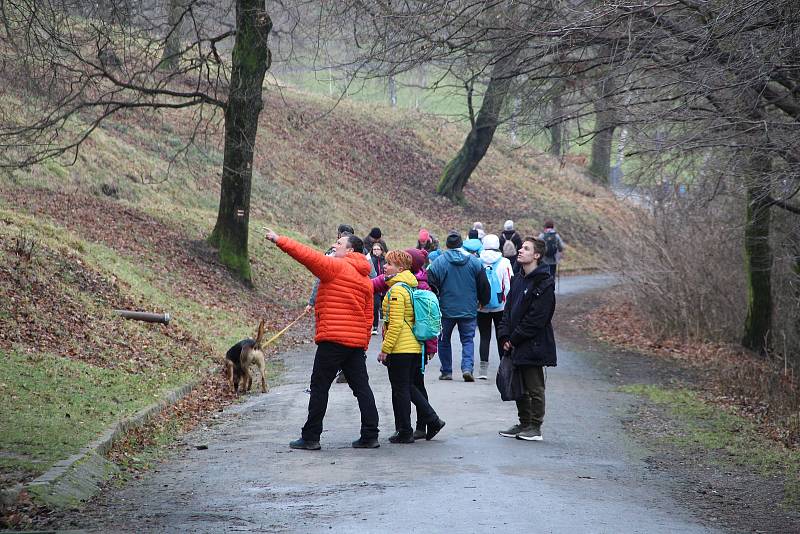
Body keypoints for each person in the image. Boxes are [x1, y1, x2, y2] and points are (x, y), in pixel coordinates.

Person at [264, 228, 380, 450]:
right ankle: (370, 435)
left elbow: (307, 255)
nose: (334, 246)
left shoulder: (335, 267)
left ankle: (311, 437)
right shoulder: (365, 279)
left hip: (333, 340)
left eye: (339, 243)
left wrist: (279, 239)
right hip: (354, 344)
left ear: (351, 250)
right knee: (362, 388)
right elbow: (368, 316)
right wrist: (363, 344)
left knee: (319, 387)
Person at [378, 250, 446, 443]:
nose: (385, 266)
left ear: (401, 268)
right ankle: (426, 423)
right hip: (413, 346)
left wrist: (385, 349)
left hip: (402, 348)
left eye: (389, 263)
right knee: (408, 387)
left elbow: (396, 323)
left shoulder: (398, 290)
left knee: (401, 389)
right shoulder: (408, 286)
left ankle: (410, 430)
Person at [498, 236, 556, 442]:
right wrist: (504, 335)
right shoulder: (518, 279)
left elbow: (537, 318)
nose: (520, 251)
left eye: (526, 249)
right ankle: (523, 423)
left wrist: (513, 339)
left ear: (537, 255)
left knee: (534, 387)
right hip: (514, 343)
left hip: (533, 344)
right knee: (517, 385)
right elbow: (507, 310)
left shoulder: (545, 283)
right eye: (521, 248)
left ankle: (535, 427)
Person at [427, 231, 490, 382]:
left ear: (447, 245)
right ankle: (467, 368)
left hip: (446, 308)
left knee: (444, 340)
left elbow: (430, 282)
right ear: (461, 244)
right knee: (468, 339)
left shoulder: (439, 262)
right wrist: (483, 300)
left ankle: (447, 371)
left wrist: (436, 298)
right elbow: (483, 284)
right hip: (468, 308)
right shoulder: (474, 262)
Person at [476, 234, 513, 379]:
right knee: (501, 337)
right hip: (501, 306)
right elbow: (509, 284)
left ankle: (483, 370)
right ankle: (502, 369)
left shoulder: (478, 262)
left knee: (484, 337)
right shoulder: (505, 262)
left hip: (481, 306)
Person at [368, 241, 387, 335]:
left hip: (384, 285)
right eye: (374, 249)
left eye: (377, 249)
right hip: (374, 285)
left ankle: (386, 325)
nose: (376, 251)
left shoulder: (385, 260)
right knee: (375, 306)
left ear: (381, 250)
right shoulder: (370, 260)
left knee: (386, 306)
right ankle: (375, 326)